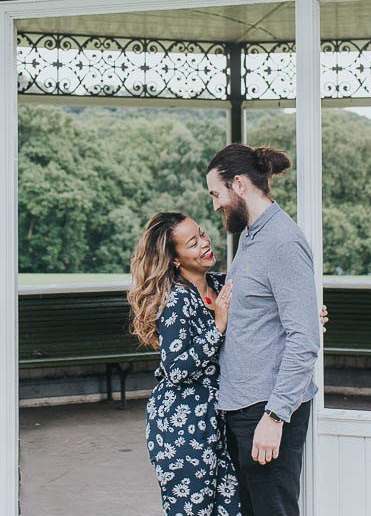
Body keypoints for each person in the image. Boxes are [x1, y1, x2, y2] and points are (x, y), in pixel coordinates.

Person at [207, 144, 321, 516]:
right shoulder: (252, 236)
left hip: (266, 410)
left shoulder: (283, 242)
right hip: (244, 405)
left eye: (216, 193)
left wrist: (275, 417)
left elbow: (304, 341)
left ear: (238, 185)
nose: (215, 205)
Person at [129, 211, 240, 516]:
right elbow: (176, 368)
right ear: (175, 259)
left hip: (218, 423)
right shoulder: (176, 300)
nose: (205, 243)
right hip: (183, 429)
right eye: (192, 243)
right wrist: (217, 327)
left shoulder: (219, 285)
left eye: (202, 234)